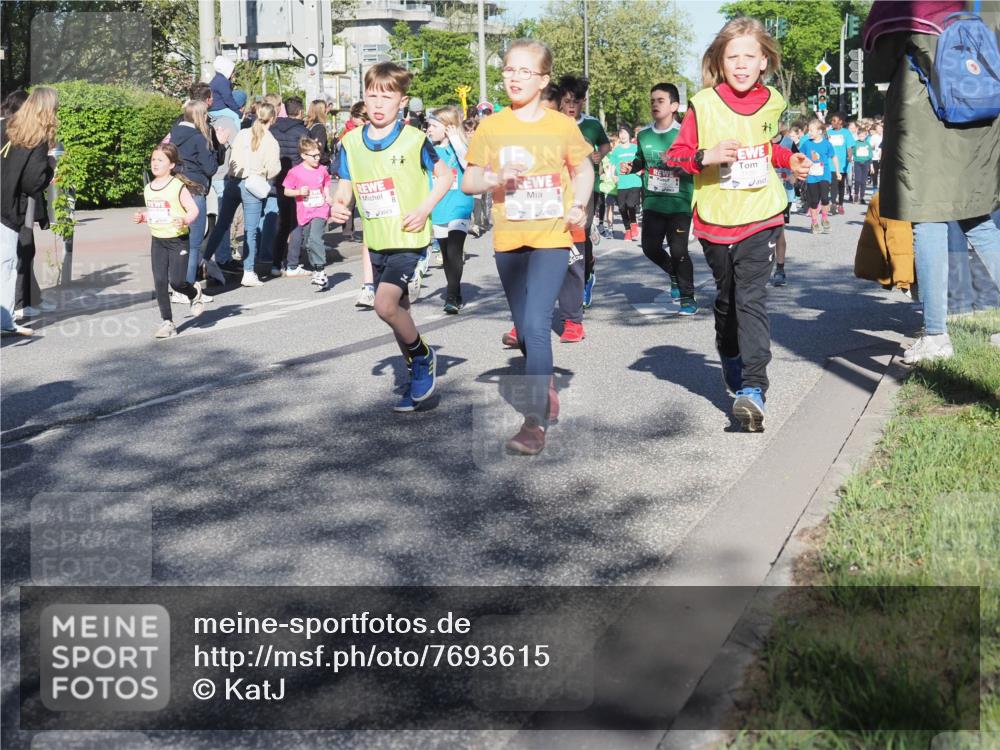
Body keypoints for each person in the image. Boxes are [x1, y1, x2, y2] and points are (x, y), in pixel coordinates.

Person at [667, 17, 811, 432]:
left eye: (750, 56)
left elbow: (769, 148)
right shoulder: (703, 104)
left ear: (764, 60)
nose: (742, 64)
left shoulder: (774, 101)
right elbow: (675, 158)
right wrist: (706, 156)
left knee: (751, 298)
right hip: (715, 218)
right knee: (728, 301)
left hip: (762, 214)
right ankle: (729, 353)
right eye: (733, 57)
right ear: (720, 60)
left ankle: (753, 388)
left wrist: (791, 161)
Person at [462, 39, 594, 455]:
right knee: (524, 330)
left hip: (552, 238)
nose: (514, 77)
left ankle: (534, 422)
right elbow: (469, 181)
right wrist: (493, 178)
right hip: (508, 240)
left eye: (524, 71)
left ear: (543, 80)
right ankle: (545, 381)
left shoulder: (561, 126)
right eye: (508, 70)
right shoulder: (492, 127)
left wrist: (578, 205)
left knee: (536, 324)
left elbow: (584, 168)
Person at [864, 1, 1000, 363]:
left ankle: (937, 335)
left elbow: (877, 64)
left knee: (928, 221)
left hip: (926, 119)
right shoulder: (981, 5)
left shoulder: (903, 5)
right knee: (978, 219)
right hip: (981, 119)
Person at [330, 62, 453, 413]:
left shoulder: (415, 139)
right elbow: (345, 188)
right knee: (400, 311)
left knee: (384, 305)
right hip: (377, 241)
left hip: (410, 239)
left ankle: (423, 355)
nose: (378, 103)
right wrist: (339, 207)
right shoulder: (350, 143)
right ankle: (416, 376)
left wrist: (425, 208)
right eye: (371, 96)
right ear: (363, 99)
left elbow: (444, 177)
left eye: (387, 96)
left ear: (403, 101)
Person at [629, 82, 697, 314]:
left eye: (660, 101)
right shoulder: (644, 135)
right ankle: (673, 275)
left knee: (679, 251)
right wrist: (632, 166)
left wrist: (685, 167)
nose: (655, 105)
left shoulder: (684, 135)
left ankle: (688, 297)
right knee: (649, 247)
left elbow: (697, 163)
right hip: (652, 201)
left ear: (674, 105)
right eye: (652, 101)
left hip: (679, 203)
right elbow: (640, 160)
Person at [202, 102, 281, 287]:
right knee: (251, 231)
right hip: (253, 185)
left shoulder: (243, 134)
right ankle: (248, 272)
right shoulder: (270, 141)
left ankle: (204, 260)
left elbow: (232, 158)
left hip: (233, 182)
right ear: (273, 118)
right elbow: (273, 169)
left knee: (222, 224)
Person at [0, 86, 58, 337]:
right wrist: (50, 168)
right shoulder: (37, 138)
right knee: (7, 264)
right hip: (8, 208)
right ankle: (4, 320)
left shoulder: (6, 127)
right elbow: (32, 182)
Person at [134, 144, 204, 339]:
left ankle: (194, 293)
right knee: (159, 281)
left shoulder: (177, 186)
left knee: (177, 282)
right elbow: (157, 212)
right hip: (158, 239)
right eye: (153, 159)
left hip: (177, 239)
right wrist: (143, 217)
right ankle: (168, 322)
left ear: (171, 165)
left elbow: (193, 210)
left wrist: (184, 219)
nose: (155, 163)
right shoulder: (148, 188)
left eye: (160, 160)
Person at [557, 75, 610, 307]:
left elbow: (605, 144)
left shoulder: (591, 124)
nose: (571, 106)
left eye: (576, 101)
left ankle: (585, 277)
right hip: (558, 188)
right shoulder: (553, 122)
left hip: (586, 188)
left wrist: (600, 155)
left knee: (581, 233)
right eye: (567, 100)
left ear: (583, 101)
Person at [169, 99, 224, 289]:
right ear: (201, 117)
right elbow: (210, 168)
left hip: (174, 188)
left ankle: (174, 284)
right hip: (194, 188)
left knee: (176, 240)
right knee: (194, 243)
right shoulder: (199, 138)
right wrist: (220, 145)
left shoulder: (173, 134)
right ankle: (187, 288)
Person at [426, 106, 474, 313]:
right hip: (439, 207)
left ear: (447, 128)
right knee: (446, 254)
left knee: (454, 250)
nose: (428, 129)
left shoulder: (461, 147)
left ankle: (452, 296)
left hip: (460, 206)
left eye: (433, 126)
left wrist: (455, 139)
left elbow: (469, 164)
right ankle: (455, 290)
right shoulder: (429, 150)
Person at [283, 137, 333, 286]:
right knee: (308, 242)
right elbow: (286, 191)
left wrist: (328, 195)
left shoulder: (322, 170)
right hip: (304, 212)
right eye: (314, 156)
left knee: (315, 238)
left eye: (319, 155)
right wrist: (299, 191)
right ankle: (317, 269)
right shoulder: (295, 172)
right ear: (304, 155)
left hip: (320, 209)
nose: (318, 158)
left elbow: (326, 184)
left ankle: (320, 270)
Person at [270, 96, 310, 275]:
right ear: (300, 111)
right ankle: (293, 264)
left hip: (279, 178)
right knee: (297, 223)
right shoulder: (302, 131)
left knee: (284, 222)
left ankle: (275, 264)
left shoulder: (274, 128)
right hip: (298, 179)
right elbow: (305, 155)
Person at [772, 122, 803, 285]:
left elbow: (800, 161)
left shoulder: (788, 143)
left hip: (784, 193)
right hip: (761, 195)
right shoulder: (758, 142)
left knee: (778, 231)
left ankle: (780, 268)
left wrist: (795, 176)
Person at [801, 118, 838, 235]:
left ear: (820, 131)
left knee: (825, 198)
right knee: (814, 200)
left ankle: (825, 218)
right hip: (812, 176)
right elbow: (799, 156)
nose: (809, 133)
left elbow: (834, 157)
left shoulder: (827, 144)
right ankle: (814, 222)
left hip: (824, 175)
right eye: (809, 131)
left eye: (812, 131)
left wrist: (837, 172)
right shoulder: (806, 144)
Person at [610, 126, 642, 241]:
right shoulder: (616, 150)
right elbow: (612, 165)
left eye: (624, 133)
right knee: (622, 208)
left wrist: (640, 171)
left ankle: (633, 223)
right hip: (622, 182)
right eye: (620, 133)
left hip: (634, 181)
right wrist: (612, 175)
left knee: (630, 204)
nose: (622, 135)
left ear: (629, 134)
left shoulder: (636, 148)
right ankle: (627, 230)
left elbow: (642, 162)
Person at [826, 112, 854, 215]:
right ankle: (833, 203)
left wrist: (849, 157)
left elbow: (849, 146)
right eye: (832, 121)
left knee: (841, 185)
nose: (832, 122)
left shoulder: (846, 133)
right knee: (833, 183)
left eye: (834, 120)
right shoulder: (828, 133)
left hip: (843, 163)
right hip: (831, 162)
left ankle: (840, 204)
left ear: (840, 122)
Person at [208, 55, 243, 130]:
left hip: (213, 109)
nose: (233, 74)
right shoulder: (223, 81)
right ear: (227, 69)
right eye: (232, 71)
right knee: (236, 117)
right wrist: (238, 110)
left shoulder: (217, 79)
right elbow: (228, 98)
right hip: (218, 109)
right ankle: (236, 138)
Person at [851, 125, 873, 203]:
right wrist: (851, 159)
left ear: (865, 135)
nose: (861, 137)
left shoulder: (867, 144)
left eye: (863, 136)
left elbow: (870, 155)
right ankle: (856, 194)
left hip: (866, 163)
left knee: (863, 181)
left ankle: (862, 197)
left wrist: (871, 166)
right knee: (857, 180)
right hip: (857, 163)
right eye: (860, 135)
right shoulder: (855, 143)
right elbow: (852, 153)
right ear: (858, 135)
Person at [304, 100, 330, 165]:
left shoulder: (307, 125)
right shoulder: (320, 128)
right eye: (325, 109)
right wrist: (327, 160)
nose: (327, 111)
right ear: (321, 111)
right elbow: (319, 150)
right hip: (318, 164)